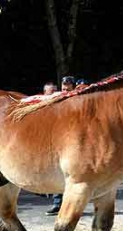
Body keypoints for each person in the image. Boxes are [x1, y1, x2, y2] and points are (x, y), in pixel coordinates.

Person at [45, 76, 76, 216]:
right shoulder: (56, 99)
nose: (65, 90)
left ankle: (70, 205)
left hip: (72, 140)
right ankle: (58, 204)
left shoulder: (78, 99)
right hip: (57, 139)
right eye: (63, 88)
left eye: (67, 88)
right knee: (58, 173)